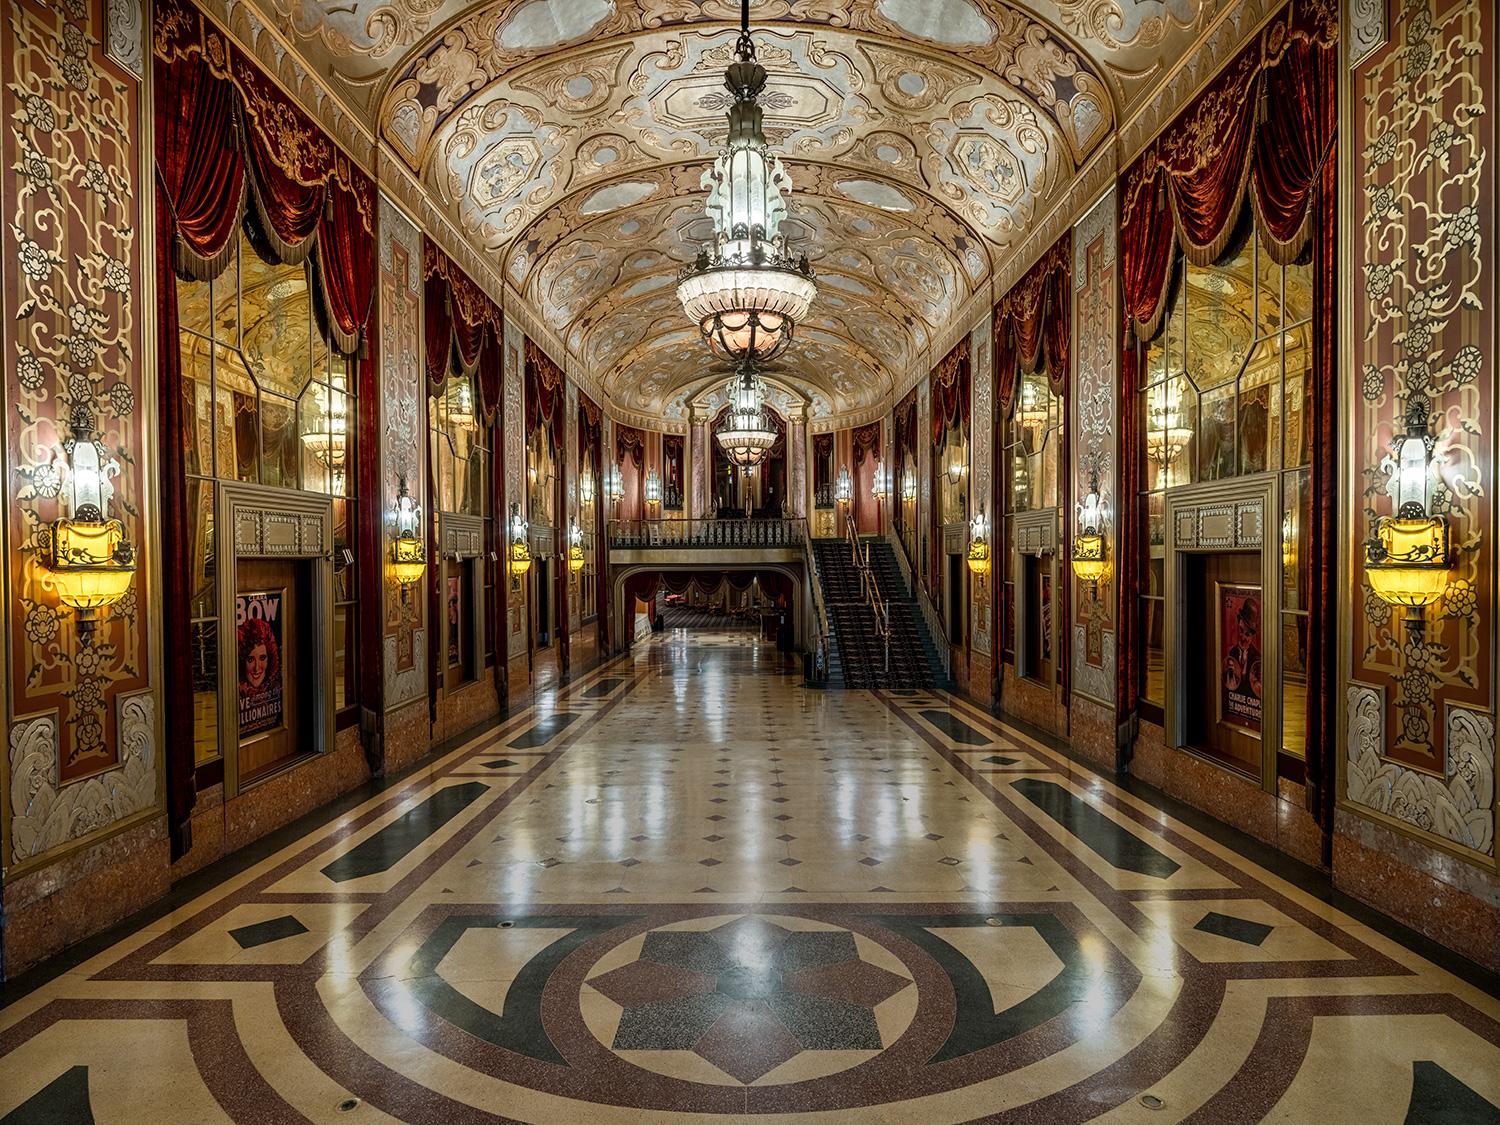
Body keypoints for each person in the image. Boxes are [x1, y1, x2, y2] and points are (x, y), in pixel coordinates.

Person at [238, 616, 279, 697]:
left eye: (262, 658)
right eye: (250, 659)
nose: (256, 668)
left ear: (270, 659)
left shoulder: (277, 688)